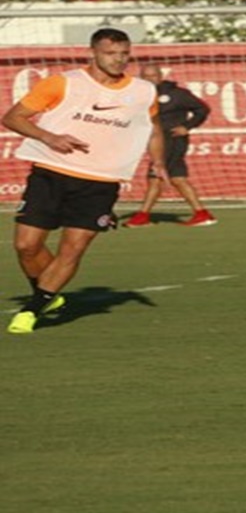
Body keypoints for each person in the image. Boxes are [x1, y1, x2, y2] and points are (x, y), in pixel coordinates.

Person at [4, 27, 166, 334]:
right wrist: (49, 137)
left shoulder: (143, 91)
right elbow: (13, 117)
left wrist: (158, 161)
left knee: (73, 248)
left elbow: (154, 128)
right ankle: (49, 294)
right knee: (26, 246)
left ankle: (33, 308)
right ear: (92, 52)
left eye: (124, 54)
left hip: (101, 182)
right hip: (50, 172)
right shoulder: (63, 83)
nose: (119, 60)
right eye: (110, 53)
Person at [122, 63, 217, 228]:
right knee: (178, 179)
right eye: (145, 77)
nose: (149, 80)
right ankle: (202, 214)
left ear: (160, 76)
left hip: (172, 139)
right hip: (155, 140)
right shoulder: (142, 95)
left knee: (155, 177)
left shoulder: (177, 94)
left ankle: (142, 216)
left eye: (152, 76)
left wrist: (187, 126)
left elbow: (202, 109)